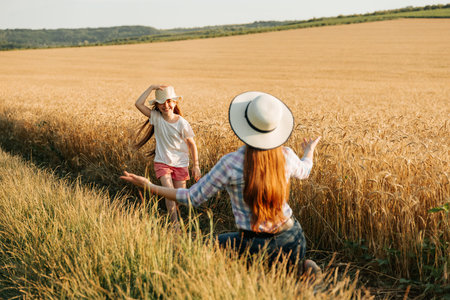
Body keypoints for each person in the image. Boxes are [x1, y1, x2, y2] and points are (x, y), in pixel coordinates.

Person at [124, 91, 321, 275]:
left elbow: (192, 197)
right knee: (287, 273)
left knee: (204, 250)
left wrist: (149, 186)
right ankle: (301, 268)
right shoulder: (286, 155)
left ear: (244, 123)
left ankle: (271, 271)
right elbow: (305, 170)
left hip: (254, 244)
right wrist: (309, 151)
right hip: (294, 237)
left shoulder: (231, 163)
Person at [134, 84, 201, 228]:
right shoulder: (156, 118)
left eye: (169, 101)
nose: (166, 105)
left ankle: (178, 220)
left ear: (175, 103)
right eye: (162, 102)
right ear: (157, 105)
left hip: (181, 163)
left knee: (178, 196)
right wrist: (151, 87)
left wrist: (196, 166)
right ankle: (175, 225)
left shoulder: (182, 123)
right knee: (169, 192)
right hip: (162, 162)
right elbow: (138, 104)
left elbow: (192, 144)